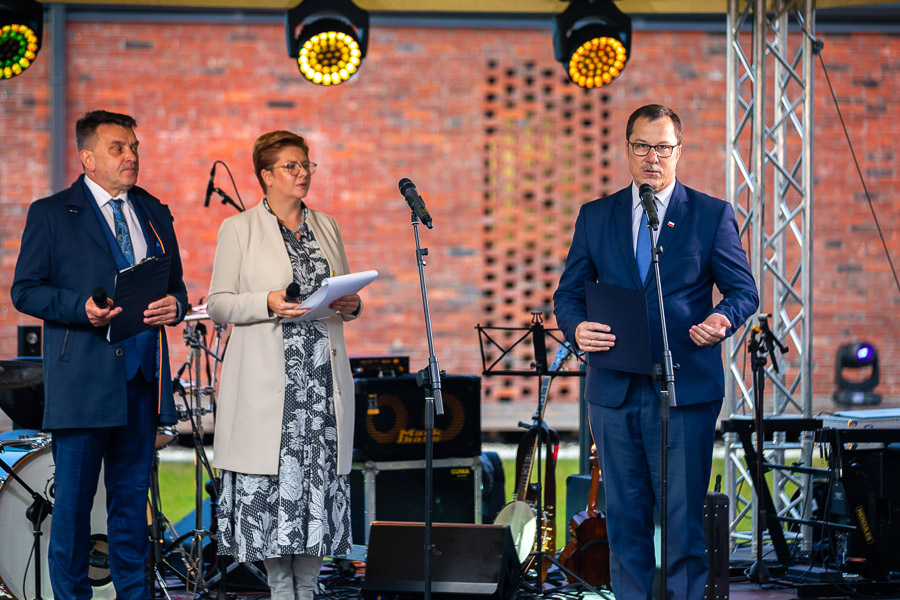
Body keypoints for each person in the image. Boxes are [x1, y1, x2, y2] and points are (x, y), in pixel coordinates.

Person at [553, 104, 758, 599]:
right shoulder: (595, 216)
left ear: (679, 151)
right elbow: (568, 294)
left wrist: (722, 318)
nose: (652, 158)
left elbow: (743, 290)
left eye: (663, 147)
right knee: (625, 523)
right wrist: (577, 328)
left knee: (684, 525)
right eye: (642, 146)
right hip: (615, 391)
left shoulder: (710, 215)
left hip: (684, 391)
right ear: (627, 149)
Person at [10, 110, 188, 600]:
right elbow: (25, 290)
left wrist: (175, 306)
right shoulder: (51, 214)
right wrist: (79, 308)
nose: (131, 156)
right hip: (83, 383)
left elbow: (176, 288)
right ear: (87, 158)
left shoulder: (154, 210)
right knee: (72, 511)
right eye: (118, 148)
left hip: (141, 381)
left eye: (134, 147)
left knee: (131, 510)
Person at [207, 130, 362, 600]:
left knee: (317, 489)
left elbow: (340, 293)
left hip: (321, 384)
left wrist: (352, 305)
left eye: (306, 164)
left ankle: (308, 589)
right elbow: (218, 304)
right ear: (266, 175)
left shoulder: (327, 225)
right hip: (269, 386)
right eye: (291, 166)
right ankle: (279, 589)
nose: (302, 173)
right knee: (273, 494)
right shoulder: (239, 228)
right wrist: (267, 301)